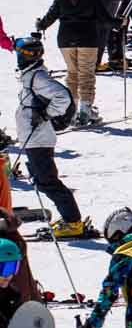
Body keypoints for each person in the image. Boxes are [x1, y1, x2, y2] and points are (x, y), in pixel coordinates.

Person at [14, 37, 85, 237]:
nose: (19, 57)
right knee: (43, 180)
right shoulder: (31, 76)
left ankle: (73, 222)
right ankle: (71, 219)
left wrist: (46, 115)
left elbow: (63, 96)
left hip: (39, 138)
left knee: (48, 182)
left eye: (22, 53)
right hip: (33, 138)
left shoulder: (38, 78)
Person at [36, 0, 104, 126]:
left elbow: (51, 15)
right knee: (86, 75)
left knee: (72, 74)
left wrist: (41, 25)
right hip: (87, 40)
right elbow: (105, 18)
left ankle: (72, 112)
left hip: (65, 40)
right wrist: (118, 22)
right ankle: (85, 111)